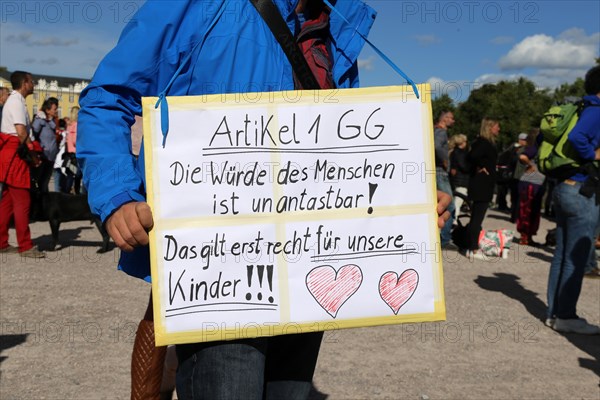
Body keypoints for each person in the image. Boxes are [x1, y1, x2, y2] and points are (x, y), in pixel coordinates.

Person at [77, 1, 451, 398]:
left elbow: (345, 161)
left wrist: (410, 203)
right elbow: (106, 97)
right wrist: (117, 195)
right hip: (221, 272)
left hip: (309, 268)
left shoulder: (337, 27)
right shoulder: (195, 5)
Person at [546, 65, 600, 335]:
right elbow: (578, 137)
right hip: (581, 190)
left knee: (562, 255)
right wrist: (594, 154)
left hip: (565, 188)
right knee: (576, 257)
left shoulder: (582, 106)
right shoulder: (596, 110)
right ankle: (566, 315)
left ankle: (554, 313)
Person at [0, 71, 45, 258]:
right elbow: (21, 132)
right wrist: (33, 156)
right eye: (32, 81)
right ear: (25, 83)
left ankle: (2, 242)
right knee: (22, 201)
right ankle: (25, 245)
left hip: (10, 153)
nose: (33, 84)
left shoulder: (14, 100)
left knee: (8, 202)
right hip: (16, 155)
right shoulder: (16, 101)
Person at [464, 117, 500, 260]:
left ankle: (470, 246)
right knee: (477, 218)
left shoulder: (485, 143)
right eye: (497, 126)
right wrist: (480, 166)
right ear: (490, 127)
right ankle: (473, 249)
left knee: (476, 217)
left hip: (483, 184)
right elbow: (471, 156)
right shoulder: (483, 143)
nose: (499, 129)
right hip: (481, 185)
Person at [516, 129, 545, 246]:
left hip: (536, 183)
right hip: (530, 183)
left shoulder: (539, 148)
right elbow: (523, 157)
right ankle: (524, 236)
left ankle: (529, 236)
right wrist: (530, 165)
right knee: (527, 210)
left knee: (533, 210)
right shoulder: (534, 147)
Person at [434, 110, 456, 249]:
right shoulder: (441, 132)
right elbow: (436, 146)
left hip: (434, 170)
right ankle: (445, 239)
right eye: (452, 118)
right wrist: (444, 160)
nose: (453, 121)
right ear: (445, 119)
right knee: (450, 204)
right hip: (440, 171)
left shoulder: (434, 130)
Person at [31, 97, 59, 192]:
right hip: (42, 157)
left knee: (45, 183)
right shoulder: (40, 120)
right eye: (54, 109)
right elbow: (33, 135)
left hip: (51, 157)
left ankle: (43, 204)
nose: (56, 111)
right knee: (39, 183)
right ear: (47, 109)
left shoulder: (53, 121)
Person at [449, 134, 469, 215]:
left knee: (456, 201)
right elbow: (464, 167)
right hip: (461, 180)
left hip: (456, 179)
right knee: (458, 202)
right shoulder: (461, 153)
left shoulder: (453, 152)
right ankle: (454, 220)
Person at [510, 133, 528, 222]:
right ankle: (515, 216)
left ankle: (515, 216)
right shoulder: (517, 148)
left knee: (517, 197)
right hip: (517, 175)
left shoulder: (519, 149)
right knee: (516, 197)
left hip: (518, 175)